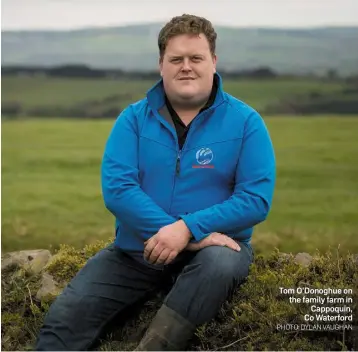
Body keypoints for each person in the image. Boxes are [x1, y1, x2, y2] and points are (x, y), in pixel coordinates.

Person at [35, 13, 276, 351]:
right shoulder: (132, 119)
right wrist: (173, 233)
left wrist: (188, 229)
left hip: (215, 255)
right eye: (176, 59)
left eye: (196, 58)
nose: (186, 66)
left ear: (214, 62)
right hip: (136, 252)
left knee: (220, 263)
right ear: (161, 64)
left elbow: (255, 199)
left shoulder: (247, 122)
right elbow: (118, 190)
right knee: (64, 320)